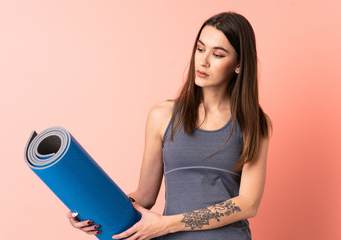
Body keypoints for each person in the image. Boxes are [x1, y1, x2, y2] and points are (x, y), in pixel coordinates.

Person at [66, 11, 273, 240]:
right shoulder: (162, 115)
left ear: (239, 65)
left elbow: (247, 204)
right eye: (200, 48)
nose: (203, 61)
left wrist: (168, 224)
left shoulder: (255, 123)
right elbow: (144, 196)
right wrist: (95, 213)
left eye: (218, 54)